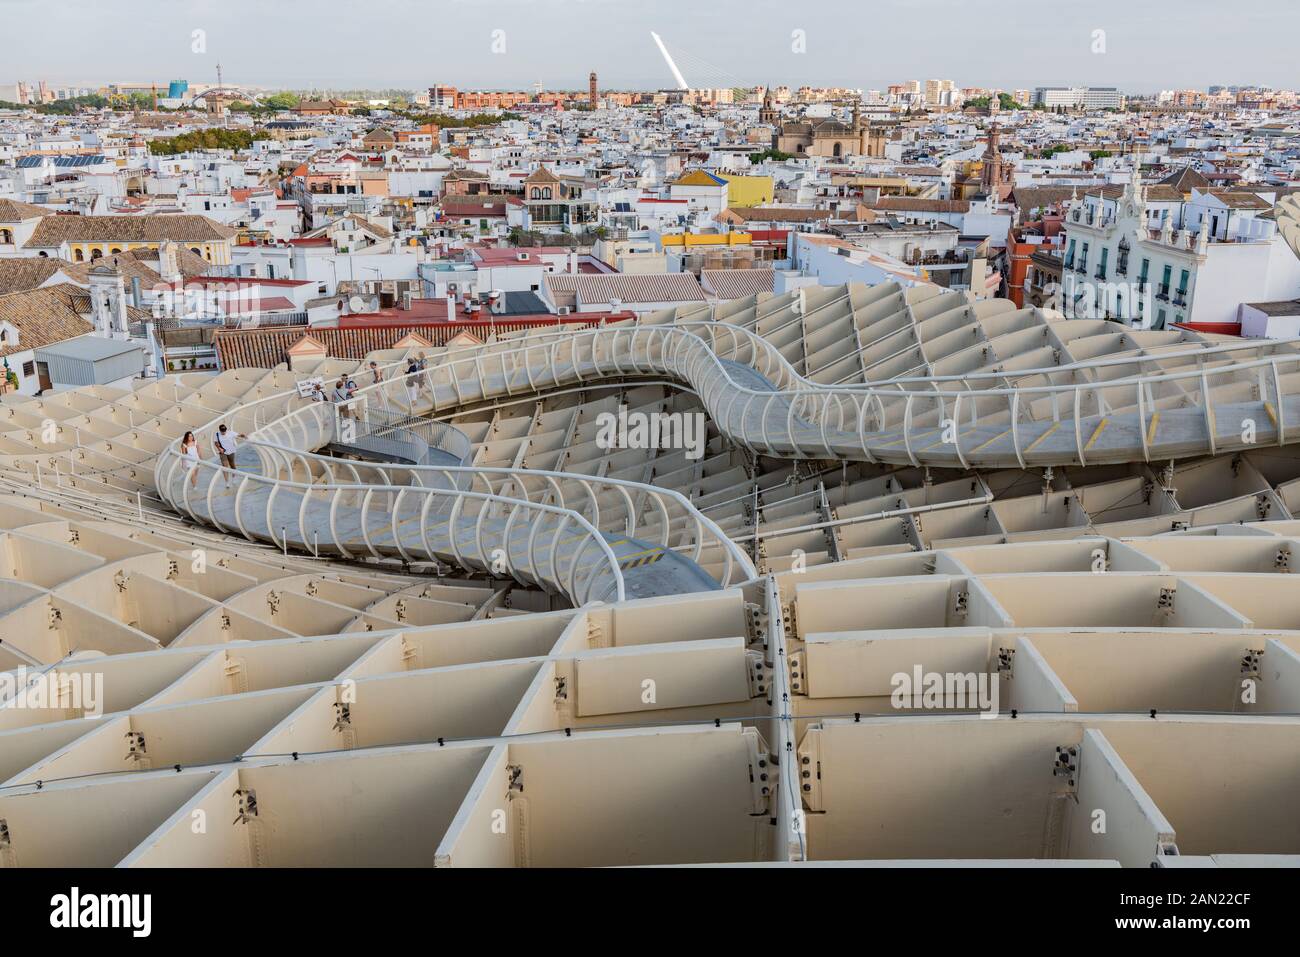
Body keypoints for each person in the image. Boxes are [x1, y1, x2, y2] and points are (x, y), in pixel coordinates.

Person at [212, 423, 246, 489]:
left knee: (232, 465)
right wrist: (219, 448)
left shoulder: (230, 433)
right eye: (222, 431)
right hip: (223, 452)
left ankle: (234, 478)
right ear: (220, 430)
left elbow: (238, 435)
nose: (224, 432)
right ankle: (227, 482)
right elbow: (216, 442)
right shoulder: (217, 434)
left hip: (231, 451)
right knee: (225, 466)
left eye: (224, 430)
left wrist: (243, 436)